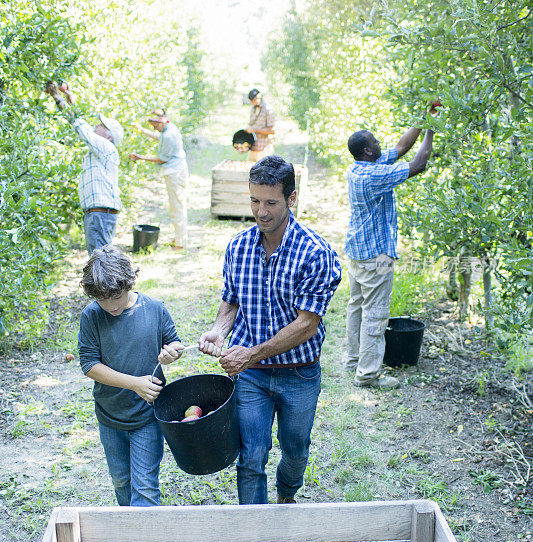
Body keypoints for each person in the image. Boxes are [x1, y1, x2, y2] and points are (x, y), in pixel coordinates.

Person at [160, 155, 341, 505]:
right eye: (255, 201)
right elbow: (231, 301)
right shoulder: (238, 247)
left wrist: (252, 353)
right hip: (252, 376)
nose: (261, 212)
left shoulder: (315, 253)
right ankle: (253, 534)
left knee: (296, 451)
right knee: (252, 457)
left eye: (271, 202)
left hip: (299, 374)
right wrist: (218, 329)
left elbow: (306, 325)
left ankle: (286, 495)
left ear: (291, 199)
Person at [78, 245, 184, 506]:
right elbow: (89, 364)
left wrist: (172, 352)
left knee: (145, 488)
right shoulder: (92, 316)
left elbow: (174, 343)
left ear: (130, 283)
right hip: (110, 416)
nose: (111, 305)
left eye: (117, 297)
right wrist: (134, 383)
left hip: (147, 415)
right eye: (102, 299)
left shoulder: (154, 308)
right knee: (121, 481)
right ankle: (130, 533)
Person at [345, 105, 438, 389]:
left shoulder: (360, 168)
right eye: (374, 141)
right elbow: (418, 163)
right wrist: (432, 130)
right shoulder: (374, 177)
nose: (379, 142)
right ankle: (368, 375)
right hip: (377, 257)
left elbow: (401, 147)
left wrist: (421, 119)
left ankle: (354, 361)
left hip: (358, 252)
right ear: (367, 151)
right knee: (375, 313)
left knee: (357, 308)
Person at [45, 82, 123, 253]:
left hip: (100, 214)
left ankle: (106, 281)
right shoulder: (100, 150)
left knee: (100, 260)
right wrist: (69, 98)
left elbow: (81, 127)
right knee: (101, 259)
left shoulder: (106, 147)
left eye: (102, 126)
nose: (97, 126)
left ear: (109, 136)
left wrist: (57, 97)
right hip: (98, 213)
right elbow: (82, 124)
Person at [130, 108, 188, 251]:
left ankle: (180, 242)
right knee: (178, 204)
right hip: (177, 169)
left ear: (161, 122)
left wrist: (140, 157)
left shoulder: (168, 135)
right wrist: (143, 131)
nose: (154, 128)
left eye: (155, 125)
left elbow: (161, 159)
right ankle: (179, 238)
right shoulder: (169, 128)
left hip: (174, 172)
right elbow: (159, 138)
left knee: (177, 206)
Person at [246, 88, 275, 162]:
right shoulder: (253, 108)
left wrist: (255, 130)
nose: (253, 102)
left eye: (254, 100)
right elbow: (251, 124)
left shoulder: (268, 109)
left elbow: (272, 131)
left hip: (264, 148)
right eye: (251, 101)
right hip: (253, 147)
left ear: (259, 97)